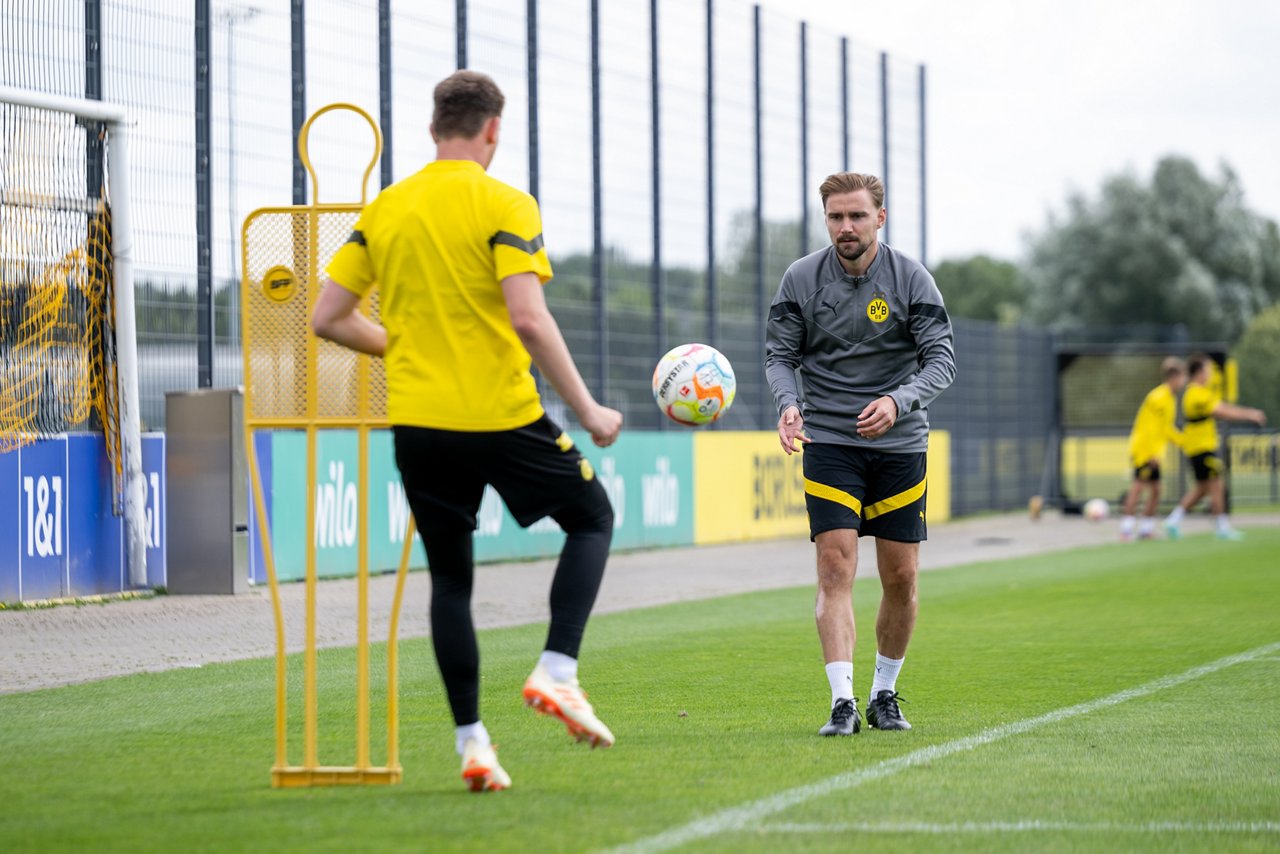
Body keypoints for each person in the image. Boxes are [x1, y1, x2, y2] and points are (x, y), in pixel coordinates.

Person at [312, 70, 623, 793]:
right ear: (493, 130)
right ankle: (558, 670)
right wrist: (587, 409)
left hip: (420, 423)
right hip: (501, 414)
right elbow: (527, 317)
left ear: (432, 131)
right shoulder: (505, 201)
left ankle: (474, 746)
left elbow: (328, 317)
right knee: (592, 516)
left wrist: (408, 349)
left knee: (450, 580)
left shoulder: (386, 208)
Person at [764, 172, 956, 737]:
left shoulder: (912, 279)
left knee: (900, 576)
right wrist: (788, 404)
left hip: (899, 444)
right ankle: (842, 702)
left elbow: (941, 360)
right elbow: (780, 355)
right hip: (829, 443)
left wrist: (899, 402)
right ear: (826, 220)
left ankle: (884, 693)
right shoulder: (800, 279)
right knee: (835, 565)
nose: (846, 227)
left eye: (856, 216)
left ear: (880, 217)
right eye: (835, 218)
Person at [1163, 354, 1266, 541]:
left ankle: (1173, 519)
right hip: (1200, 447)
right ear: (1200, 372)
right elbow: (1222, 411)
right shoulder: (1195, 393)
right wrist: (1250, 414)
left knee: (1202, 488)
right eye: (1208, 370)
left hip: (1199, 447)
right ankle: (1222, 527)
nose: (1210, 374)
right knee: (1216, 484)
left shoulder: (1199, 392)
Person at [1118, 357, 1187, 541]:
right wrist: (1151, 454)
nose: (1184, 381)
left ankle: (1146, 529)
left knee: (1156, 490)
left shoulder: (1169, 399)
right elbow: (1148, 427)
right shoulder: (1158, 397)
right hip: (1144, 451)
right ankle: (1126, 530)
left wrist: (1183, 441)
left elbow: (1165, 428)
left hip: (1153, 452)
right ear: (1174, 376)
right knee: (1138, 488)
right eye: (1182, 377)